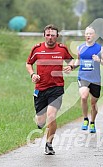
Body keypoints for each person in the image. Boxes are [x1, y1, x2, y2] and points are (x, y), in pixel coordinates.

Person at [26, 24, 74, 155]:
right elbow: (28, 63)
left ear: (57, 36)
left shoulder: (62, 49)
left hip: (56, 88)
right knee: (40, 121)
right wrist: (32, 74)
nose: (50, 37)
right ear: (44, 36)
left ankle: (49, 144)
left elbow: (72, 61)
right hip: (40, 89)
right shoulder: (37, 49)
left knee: (51, 115)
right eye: (48, 35)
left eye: (53, 35)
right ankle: (41, 123)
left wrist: (71, 67)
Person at [73, 26, 103, 133]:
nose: (88, 35)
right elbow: (78, 61)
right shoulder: (80, 48)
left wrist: (99, 60)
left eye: (90, 34)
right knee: (84, 96)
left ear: (95, 35)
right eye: (87, 34)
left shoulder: (100, 48)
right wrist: (72, 67)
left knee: (93, 103)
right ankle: (85, 119)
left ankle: (92, 122)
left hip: (95, 80)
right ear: (85, 35)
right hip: (83, 77)